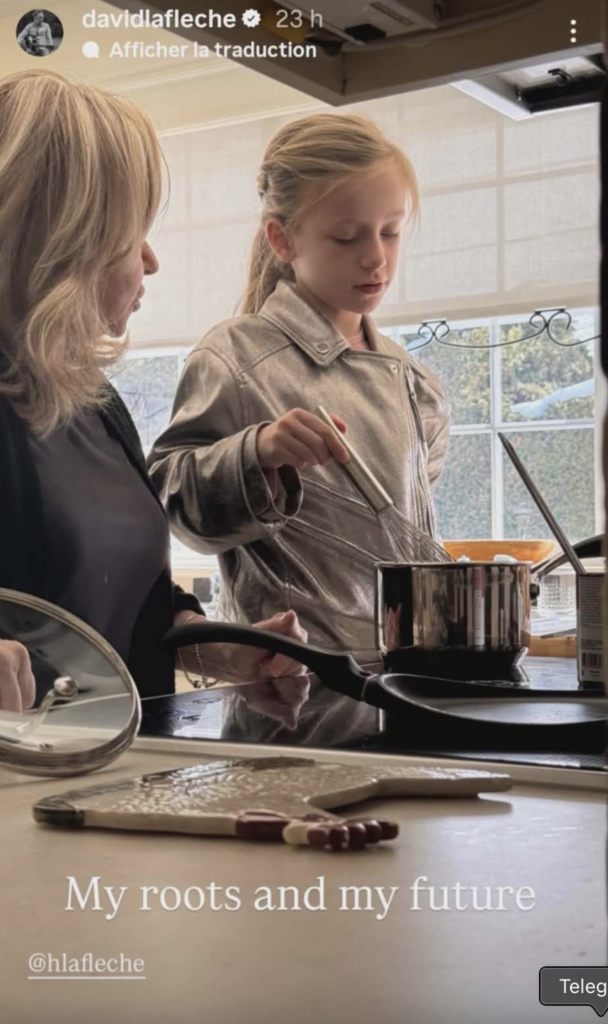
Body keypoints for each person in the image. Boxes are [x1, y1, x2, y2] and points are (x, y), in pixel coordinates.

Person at [0, 69, 308, 713]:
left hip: (118, 772)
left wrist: (223, 648)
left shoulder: (97, 405)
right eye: (130, 232)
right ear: (66, 240)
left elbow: (133, 605)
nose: (152, 260)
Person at [149, 113, 450, 664]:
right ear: (283, 240)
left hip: (412, 681)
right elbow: (169, 502)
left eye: (391, 231)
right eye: (347, 236)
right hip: (290, 684)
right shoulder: (234, 359)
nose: (376, 257)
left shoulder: (417, 383)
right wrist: (256, 453)